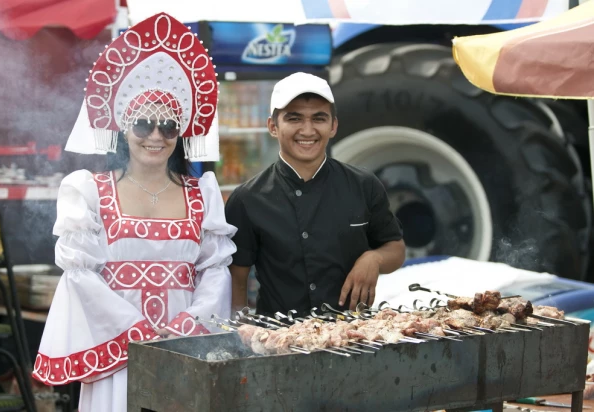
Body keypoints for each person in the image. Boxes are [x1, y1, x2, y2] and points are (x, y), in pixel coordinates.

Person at [32, 13, 236, 412]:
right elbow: (80, 277)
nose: (156, 136)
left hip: (183, 349)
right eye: (143, 124)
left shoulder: (202, 195)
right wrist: (136, 331)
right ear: (124, 126)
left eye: (169, 126)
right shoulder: (90, 191)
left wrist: (186, 326)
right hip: (117, 352)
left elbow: (215, 271)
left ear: (181, 133)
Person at [225, 72, 405, 317]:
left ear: (333, 126)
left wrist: (373, 259)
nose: (307, 130)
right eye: (294, 118)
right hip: (279, 340)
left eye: (318, 118)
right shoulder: (247, 199)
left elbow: (396, 248)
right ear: (273, 127)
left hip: (354, 336)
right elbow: (237, 277)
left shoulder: (364, 185)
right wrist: (240, 331)